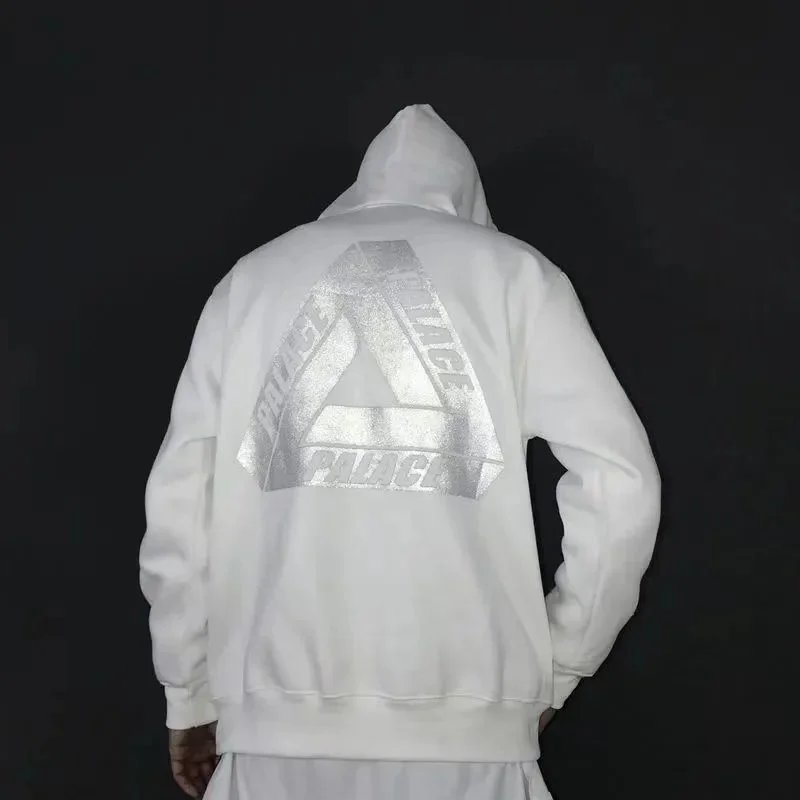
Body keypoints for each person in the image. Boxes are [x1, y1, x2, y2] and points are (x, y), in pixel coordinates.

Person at [139, 104, 661, 800]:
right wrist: (561, 663)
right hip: (473, 750)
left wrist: (189, 692)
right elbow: (621, 483)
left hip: (270, 745)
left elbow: (180, 502)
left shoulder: (251, 282)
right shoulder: (517, 278)